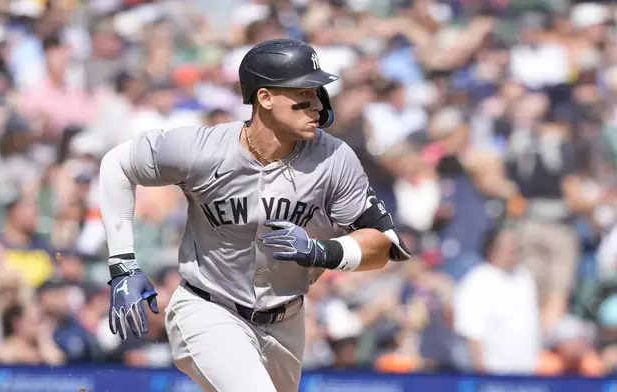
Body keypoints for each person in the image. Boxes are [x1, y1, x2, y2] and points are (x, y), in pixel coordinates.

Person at [98, 38, 410, 392]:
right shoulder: (203, 149)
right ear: (265, 97)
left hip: (286, 322)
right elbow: (117, 165)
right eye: (303, 94)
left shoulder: (335, 159)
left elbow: (385, 244)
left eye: (317, 92)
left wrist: (322, 252)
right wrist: (123, 263)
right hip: (208, 309)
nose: (316, 105)